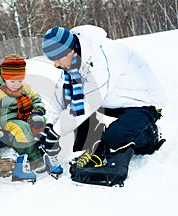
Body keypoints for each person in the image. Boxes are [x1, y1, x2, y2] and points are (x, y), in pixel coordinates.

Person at [41, 25, 167, 169]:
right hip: (115, 99)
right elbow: (60, 94)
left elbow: (88, 103)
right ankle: (94, 144)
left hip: (144, 103)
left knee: (115, 138)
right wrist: (49, 125)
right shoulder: (74, 58)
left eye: (58, 58)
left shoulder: (101, 59)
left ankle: (150, 135)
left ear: (71, 51)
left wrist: (56, 132)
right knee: (74, 107)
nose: (56, 65)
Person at [0, 54, 63, 182]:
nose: (17, 85)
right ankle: (35, 160)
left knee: (43, 123)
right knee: (22, 129)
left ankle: (48, 153)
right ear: (3, 78)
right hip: (6, 122)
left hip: (24, 116)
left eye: (20, 80)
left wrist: (37, 113)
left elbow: (35, 99)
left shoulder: (25, 87)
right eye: (12, 81)